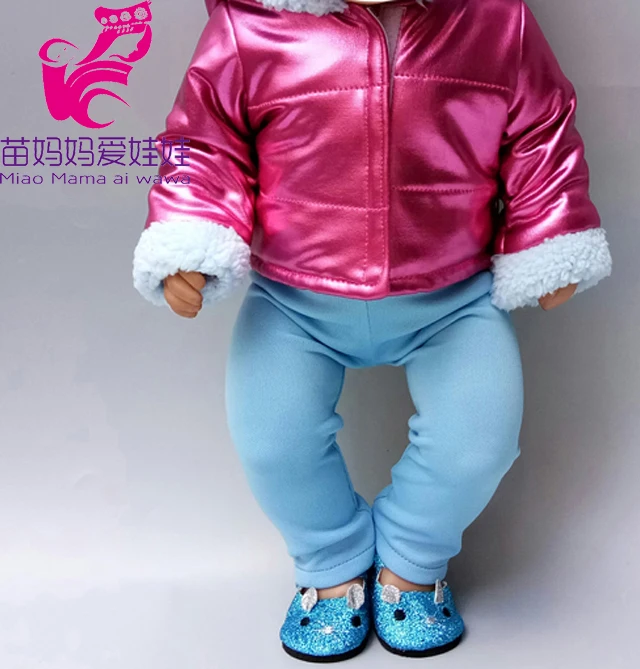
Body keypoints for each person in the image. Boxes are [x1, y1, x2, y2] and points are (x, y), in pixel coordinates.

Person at [132, 0, 612, 661]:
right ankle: (330, 564)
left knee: (480, 437)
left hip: (451, 295)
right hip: (294, 298)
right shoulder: (250, 26)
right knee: (272, 440)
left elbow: (541, 130)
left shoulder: (496, 20)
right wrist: (189, 234)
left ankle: (413, 558)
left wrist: (548, 236)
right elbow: (205, 141)